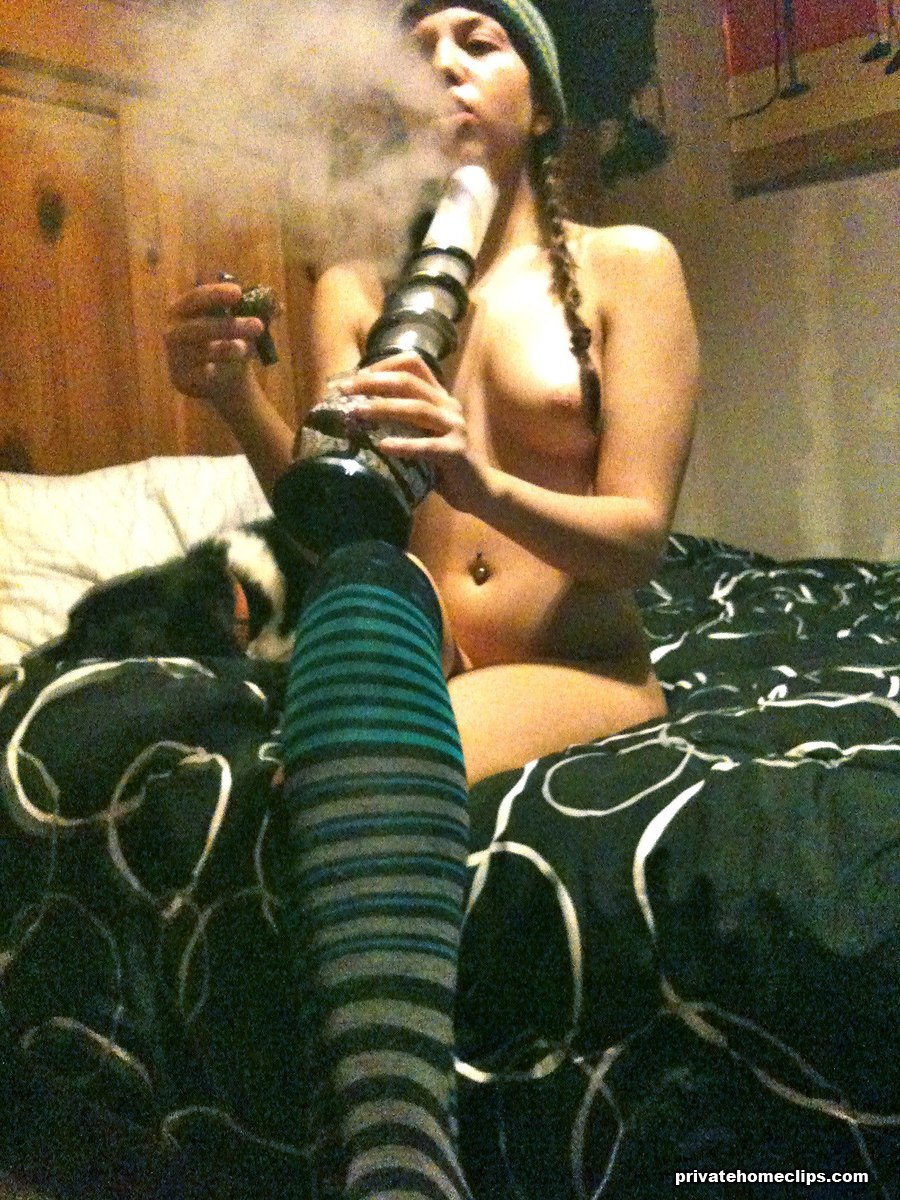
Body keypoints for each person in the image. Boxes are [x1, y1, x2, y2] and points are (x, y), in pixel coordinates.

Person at [164, 4, 698, 1198]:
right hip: (410, 639)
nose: (443, 64)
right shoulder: (357, 287)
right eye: (416, 50)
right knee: (361, 577)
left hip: (578, 662)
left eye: (478, 39)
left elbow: (637, 544)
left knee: (342, 773)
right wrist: (237, 399)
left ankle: (396, 1158)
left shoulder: (629, 266)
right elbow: (332, 508)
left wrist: (481, 482)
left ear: (544, 104)